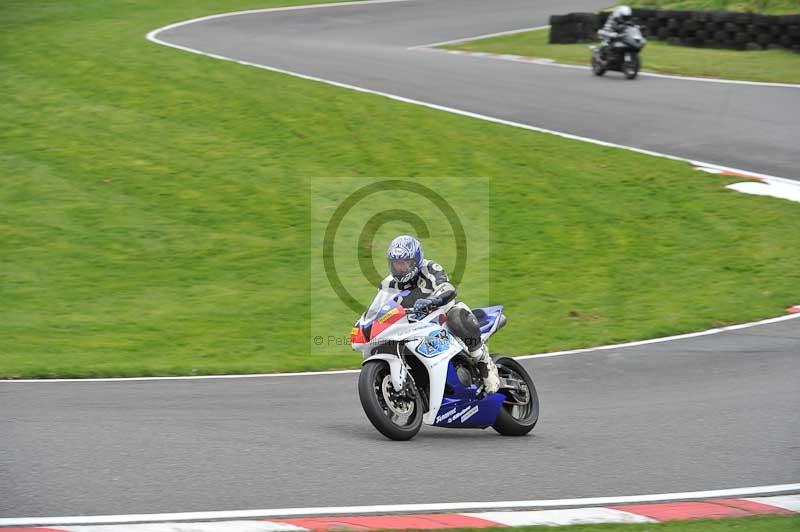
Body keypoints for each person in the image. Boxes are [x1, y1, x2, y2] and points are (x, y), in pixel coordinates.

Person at [382, 234, 500, 394]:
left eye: (404, 263)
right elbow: (381, 307)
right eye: (396, 264)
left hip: (444, 314)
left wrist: (432, 300)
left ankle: (484, 363)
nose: (400, 268)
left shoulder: (430, 268)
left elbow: (448, 287)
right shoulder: (388, 283)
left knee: (456, 318)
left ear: (415, 261)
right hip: (415, 326)